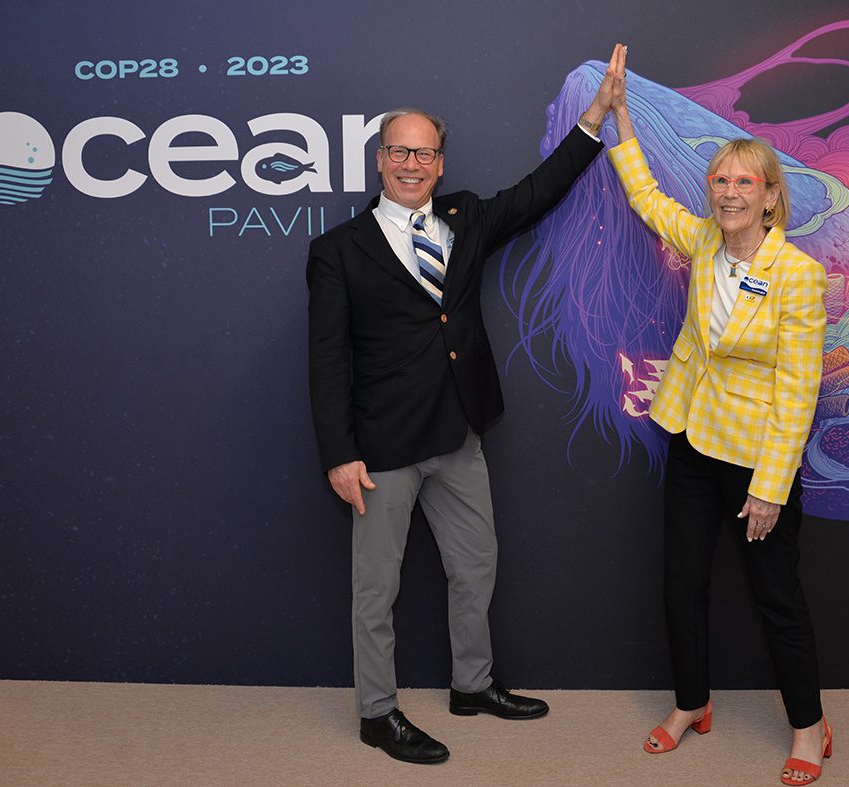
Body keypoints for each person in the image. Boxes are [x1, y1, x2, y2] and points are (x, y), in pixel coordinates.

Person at [305, 45, 626, 765]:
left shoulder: (465, 217)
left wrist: (596, 117)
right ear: (380, 159)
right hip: (382, 448)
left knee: (476, 566)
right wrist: (338, 453)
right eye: (399, 152)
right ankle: (376, 713)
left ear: (440, 162)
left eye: (425, 153)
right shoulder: (339, 251)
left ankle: (472, 685)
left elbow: (537, 191)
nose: (412, 164)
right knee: (375, 590)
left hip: (458, 434)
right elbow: (326, 361)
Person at [607, 59, 833, 785]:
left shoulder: (798, 273)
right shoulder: (704, 241)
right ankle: (691, 703)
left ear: (771, 197)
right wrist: (622, 115)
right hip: (692, 442)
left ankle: (809, 725)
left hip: (758, 461)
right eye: (721, 179)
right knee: (681, 582)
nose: (730, 191)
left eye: (746, 181)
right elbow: (643, 193)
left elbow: (800, 387)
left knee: (776, 597)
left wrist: (770, 487)